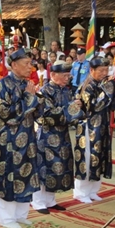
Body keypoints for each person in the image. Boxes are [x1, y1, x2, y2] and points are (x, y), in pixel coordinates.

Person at [0, 48, 40, 228]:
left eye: (31, 63)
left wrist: (36, 98)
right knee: (9, 175)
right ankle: (6, 218)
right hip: (9, 140)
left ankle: (21, 214)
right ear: (14, 65)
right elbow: (6, 114)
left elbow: (37, 112)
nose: (30, 67)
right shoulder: (2, 85)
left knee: (26, 173)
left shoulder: (26, 84)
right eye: (26, 64)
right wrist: (29, 97)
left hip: (28, 138)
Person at [33, 60, 84, 214]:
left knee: (59, 166)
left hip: (62, 134)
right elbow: (47, 114)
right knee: (44, 168)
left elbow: (72, 114)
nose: (68, 78)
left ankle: (50, 200)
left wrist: (77, 109)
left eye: (69, 75)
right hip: (46, 135)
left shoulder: (67, 91)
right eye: (65, 75)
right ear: (53, 75)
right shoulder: (45, 91)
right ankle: (37, 202)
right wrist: (71, 108)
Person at [73, 57, 115, 203]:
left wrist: (113, 90)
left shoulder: (105, 84)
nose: (104, 73)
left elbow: (114, 105)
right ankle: (81, 192)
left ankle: (93, 189)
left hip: (103, 125)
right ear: (92, 70)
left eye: (106, 70)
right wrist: (108, 90)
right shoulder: (87, 86)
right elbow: (93, 106)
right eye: (101, 70)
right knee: (87, 157)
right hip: (89, 127)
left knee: (100, 157)